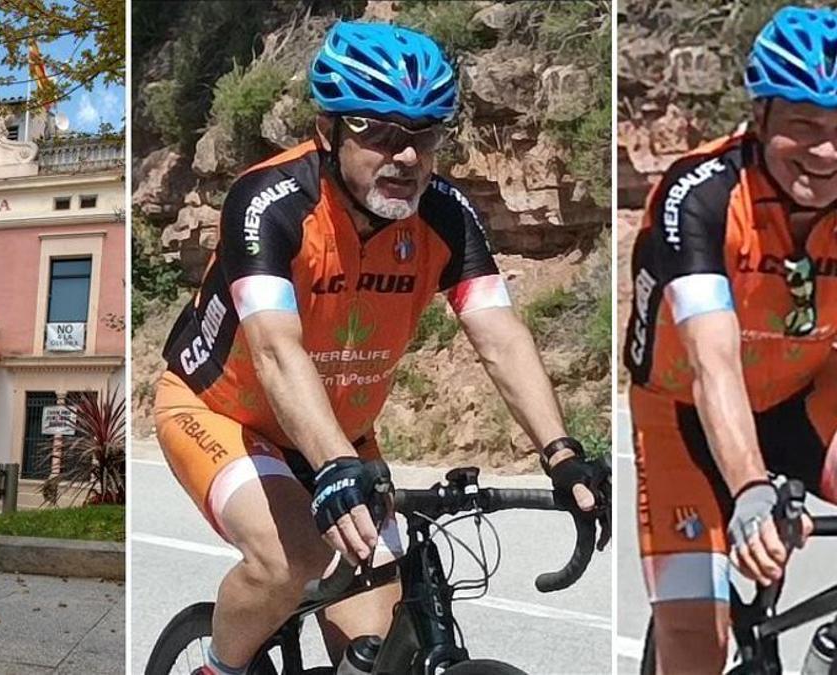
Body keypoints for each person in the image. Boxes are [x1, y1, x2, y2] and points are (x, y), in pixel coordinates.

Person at [155, 20, 611, 675]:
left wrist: (561, 452)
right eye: (378, 132)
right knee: (292, 562)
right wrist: (336, 464)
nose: (404, 156)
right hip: (222, 413)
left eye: (423, 135)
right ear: (327, 130)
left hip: (342, 436)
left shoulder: (445, 213)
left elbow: (501, 337)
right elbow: (278, 350)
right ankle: (216, 667)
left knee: (379, 646)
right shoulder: (270, 201)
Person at [624, 6, 837, 673]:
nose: (827, 151)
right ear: (761, 116)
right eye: (804, 124)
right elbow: (712, 361)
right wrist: (749, 487)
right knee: (696, 641)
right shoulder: (702, 194)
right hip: (683, 410)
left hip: (807, 396)